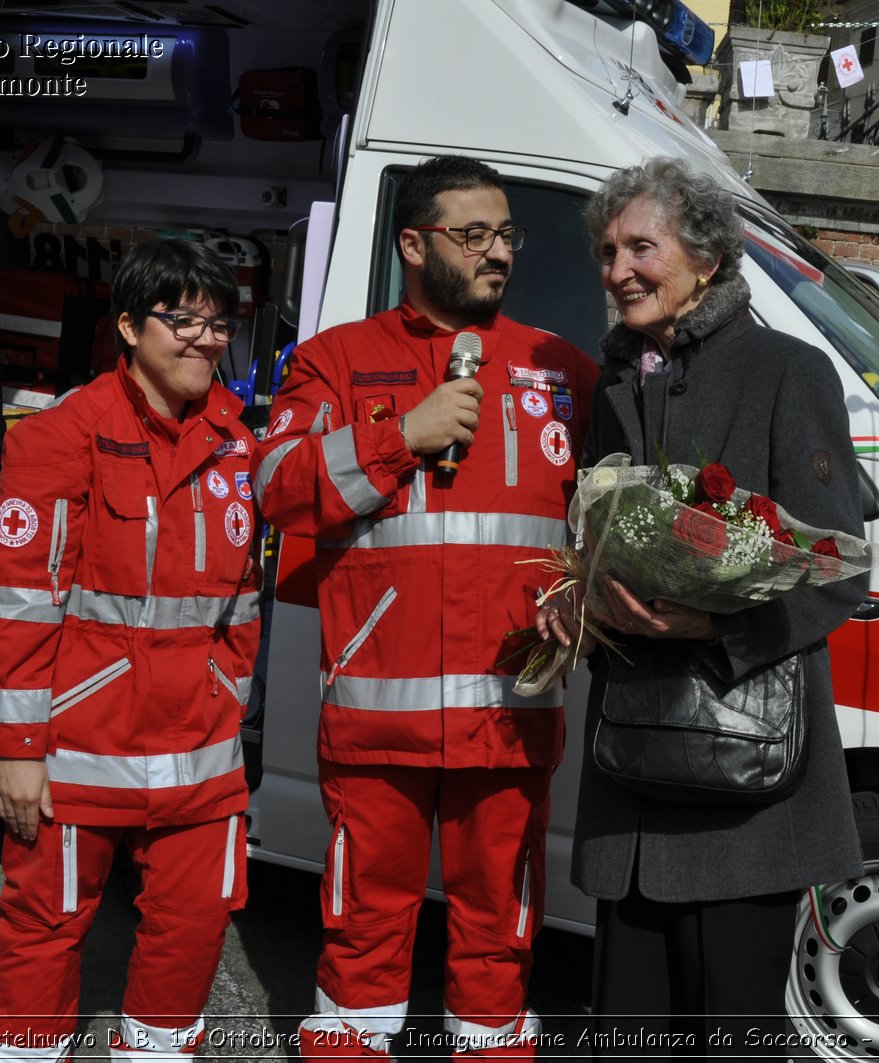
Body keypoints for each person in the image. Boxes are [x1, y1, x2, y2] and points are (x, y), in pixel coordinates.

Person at [254, 155, 598, 1059]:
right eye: (473, 234)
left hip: (509, 714)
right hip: (379, 720)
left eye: (506, 234)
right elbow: (277, 487)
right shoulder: (335, 361)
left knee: (499, 948)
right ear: (413, 243)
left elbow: (611, 512)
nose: (499, 254)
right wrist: (402, 435)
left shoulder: (561, 366)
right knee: (361, 945)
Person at [536, 157, 869, 1055]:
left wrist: (719, 621)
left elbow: (839, 569)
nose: (618, 270)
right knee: (629, 1027)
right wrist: (578, 600)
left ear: (708, 258)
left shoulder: (790, 372)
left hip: (744, 778)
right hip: (633, 770)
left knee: (730, 1032)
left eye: (641, 246)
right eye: (607, 251)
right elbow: (597, 539)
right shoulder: (615, 382)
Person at [0, 240, 263, 1061]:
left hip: (200, 750)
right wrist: (17, 752)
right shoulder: (62, 436)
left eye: (219, 322)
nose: (206, 339)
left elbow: (241, 601)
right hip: (79, 747)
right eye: (183, 319)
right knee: (45, 925)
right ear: (130, 327)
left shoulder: (236, 442)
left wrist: (227, 690)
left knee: (194, 925)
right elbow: (16, 609)